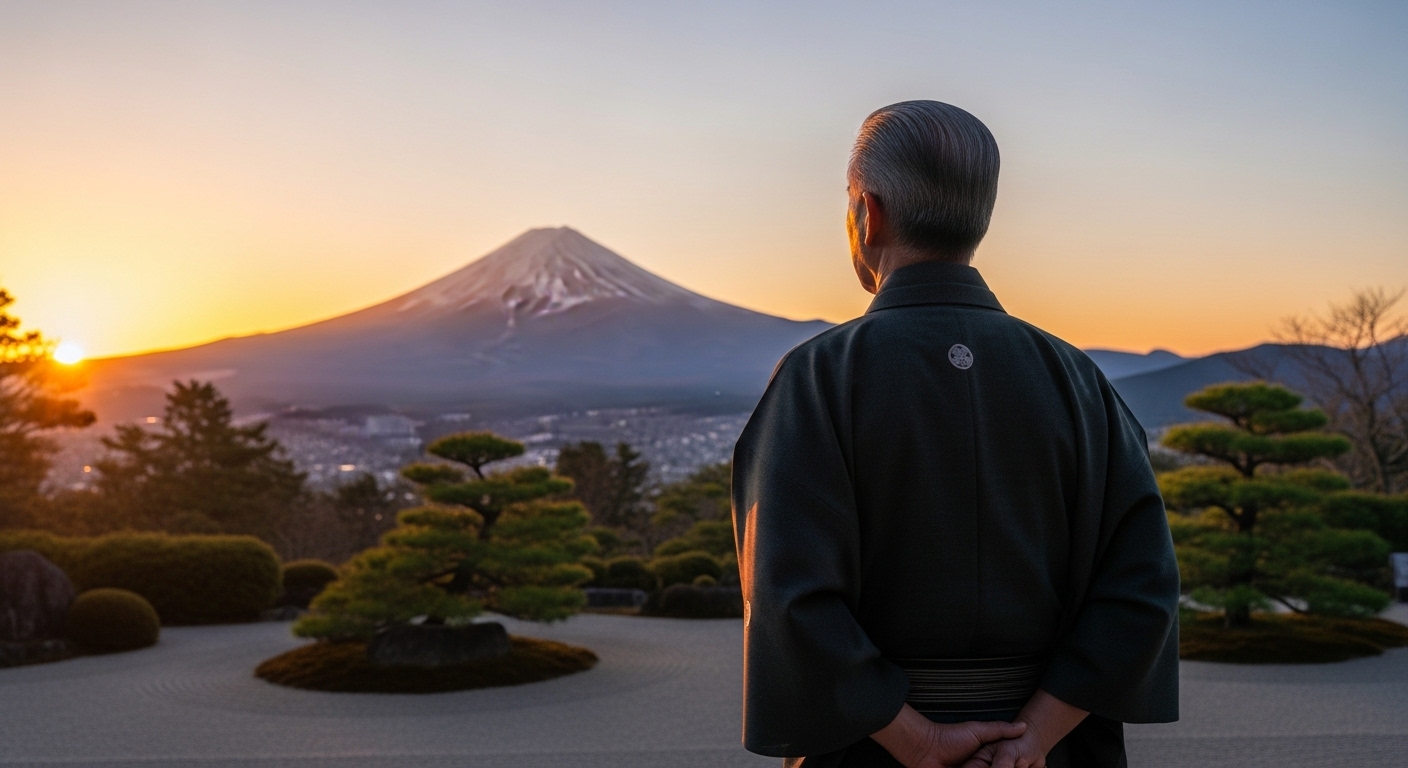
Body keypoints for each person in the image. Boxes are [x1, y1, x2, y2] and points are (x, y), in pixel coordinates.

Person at [731, 100, 1180, 768]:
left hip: (871, 752)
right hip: (1049, 753)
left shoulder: (819, 376)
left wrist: (920, 740)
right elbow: (1142, 586)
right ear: (982, 217)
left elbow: (788, 594)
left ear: (867, 213)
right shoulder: (1078, 379)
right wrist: (1035, 735)